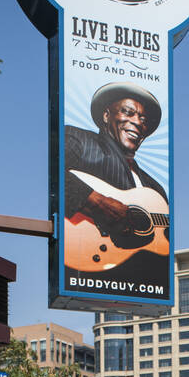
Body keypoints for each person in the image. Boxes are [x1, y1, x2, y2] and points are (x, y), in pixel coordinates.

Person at [64, 82, 169, 281]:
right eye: (128, 113)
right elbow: (55, 175)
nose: (138, 122)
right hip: (82, 262)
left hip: (132, 274)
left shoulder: (155, 188)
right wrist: (96, 202)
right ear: (106, 115)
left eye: (143, 119)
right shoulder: (78, 139)